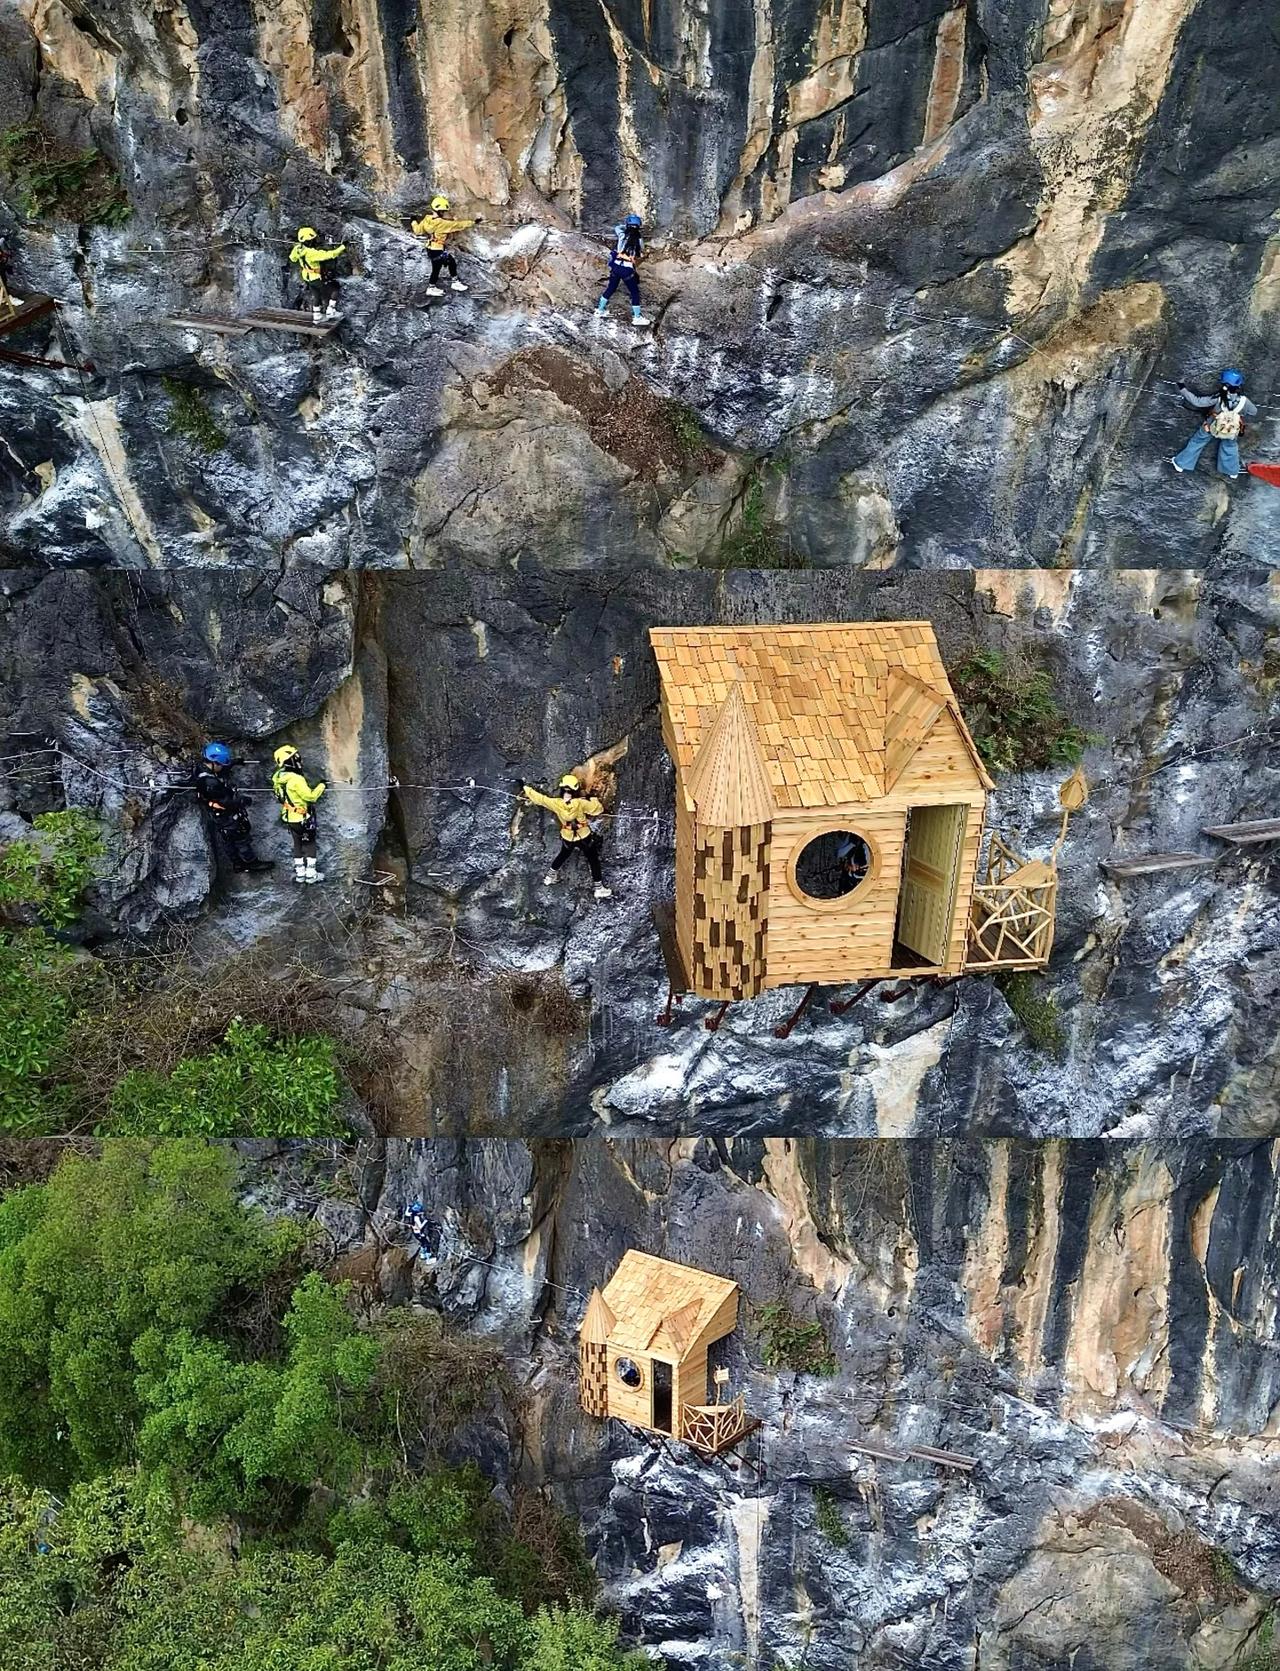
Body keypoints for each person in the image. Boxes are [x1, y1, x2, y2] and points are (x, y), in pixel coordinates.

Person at [521, 773, 612, 900]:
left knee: (563, 854)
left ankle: (549, 877)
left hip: (568, 836)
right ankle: (599, 888)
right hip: (583, 836)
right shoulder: (580, 803)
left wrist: (525, 788)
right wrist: (592, 798)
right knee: (593, 860)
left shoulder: (556, 803)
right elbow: (598, 809)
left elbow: (541, 799)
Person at [193, 743, 274, 875]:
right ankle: (251, 862)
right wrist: (242, 801)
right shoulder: (210, 783)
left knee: (228, 838)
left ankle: (237, 863)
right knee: (240, 836)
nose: (222, 766)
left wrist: (233, 763)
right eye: (221, 764)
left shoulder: (202, 769)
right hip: (225, 813)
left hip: (217, 813)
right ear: (214, 763)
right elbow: (226, 803)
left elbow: (220, 770)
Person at [1170, 369, 1257, 479]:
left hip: (1211, 426)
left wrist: (1182, 388)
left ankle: (1181, 464)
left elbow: (1197, 402)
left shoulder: (1219, 397)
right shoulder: (1244, 401)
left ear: (1224, 385)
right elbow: (1254, 412)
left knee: (1197, 442)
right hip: (1230, 429)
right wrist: (1238, 414)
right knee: (1230, 447)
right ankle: (1232, 471)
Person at [271, 745, 326, 884]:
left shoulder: (278, 778)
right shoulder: (296, 779)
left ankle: (300, 874)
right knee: (310, 843)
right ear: (290, 761)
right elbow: (310, 797)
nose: (299, 760)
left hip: (290, 817)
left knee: (297, 843)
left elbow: (280, 797)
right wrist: (322, 786)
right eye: (296, 757)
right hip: (302, 818)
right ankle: (311, 874)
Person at [410, 195, 477, 296]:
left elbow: (418, 231)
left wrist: (413, 221)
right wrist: (473, 222)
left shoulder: (427, 219)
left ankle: (438, 286)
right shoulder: (442, 223)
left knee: (443, 265)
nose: (444, 213)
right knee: (445, 265)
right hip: (437, 250)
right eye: (443, 211)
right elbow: (458, 225)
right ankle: (447, 284)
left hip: (430, 248)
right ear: (440, 211)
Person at [596, 213, 650, 327]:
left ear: (627, 224)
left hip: (616, 266)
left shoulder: (622, 235)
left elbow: (617, 228)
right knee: (634, 292)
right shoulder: (639, 239)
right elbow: (641, 250)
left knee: (611, 288)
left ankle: (599, 310)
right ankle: (637, 317)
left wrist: (626, 226)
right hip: (627, 269)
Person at [288, 226, 347, 322]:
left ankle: (317, 315)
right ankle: (331, 310)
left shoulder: (298, 248)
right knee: (334, 289)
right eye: (313, 239)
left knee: (316, 295)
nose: (315, 240)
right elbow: (330, 255)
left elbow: (293, 258)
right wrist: (342, 247)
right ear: (310, 241)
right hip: (316, 277)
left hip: (307, 277)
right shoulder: (312, 253)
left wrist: (298, 248)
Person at [402, 1199, 438, 1264]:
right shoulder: (416, 1218)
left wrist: (408, 1207)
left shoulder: (410, 1215)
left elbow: (407, 1213)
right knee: (427, 1244)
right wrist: (426, 1222)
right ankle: (428, 1258)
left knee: (423, 1243)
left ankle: (422, 1255)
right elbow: (420, 1226)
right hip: (420, 1233)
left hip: (415, 1233)